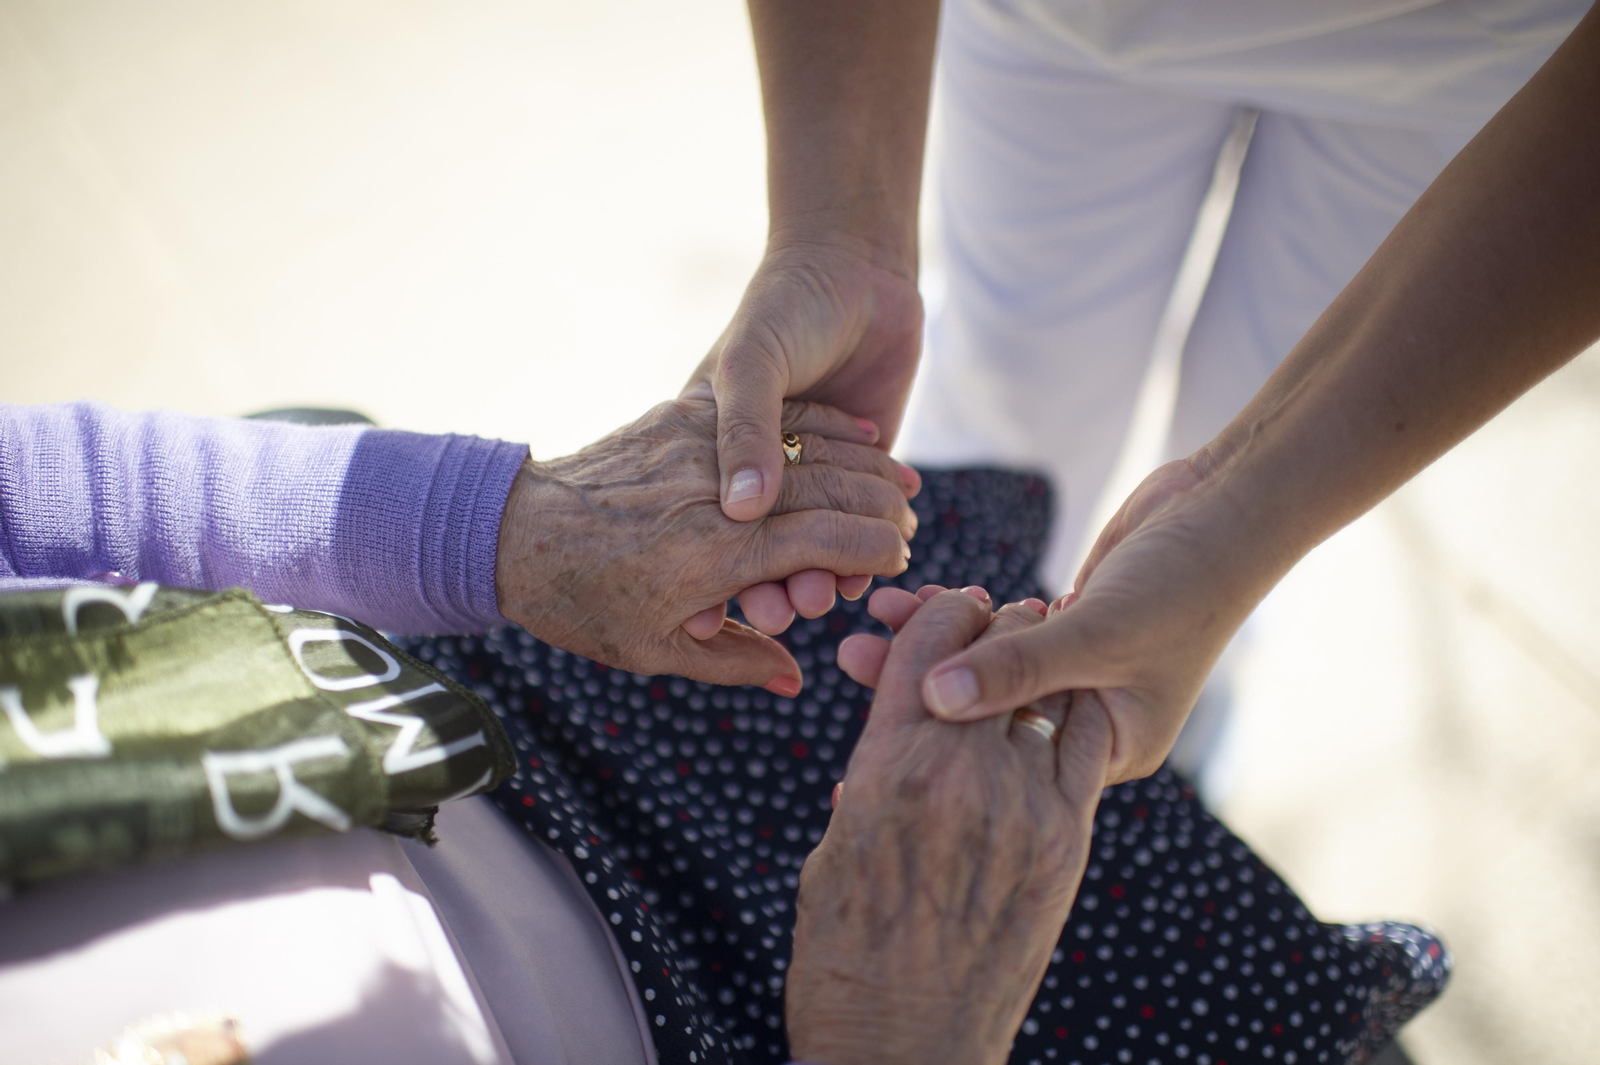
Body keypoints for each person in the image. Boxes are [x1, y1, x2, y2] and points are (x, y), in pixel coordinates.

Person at [689, 0, 1600, 783]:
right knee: (1010, 397)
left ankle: (1183, 694)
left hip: (1481, 53)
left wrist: (1239, 531)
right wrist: (841, 236)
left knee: (1258, 455)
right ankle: (951, 683)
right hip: (1066, 28)